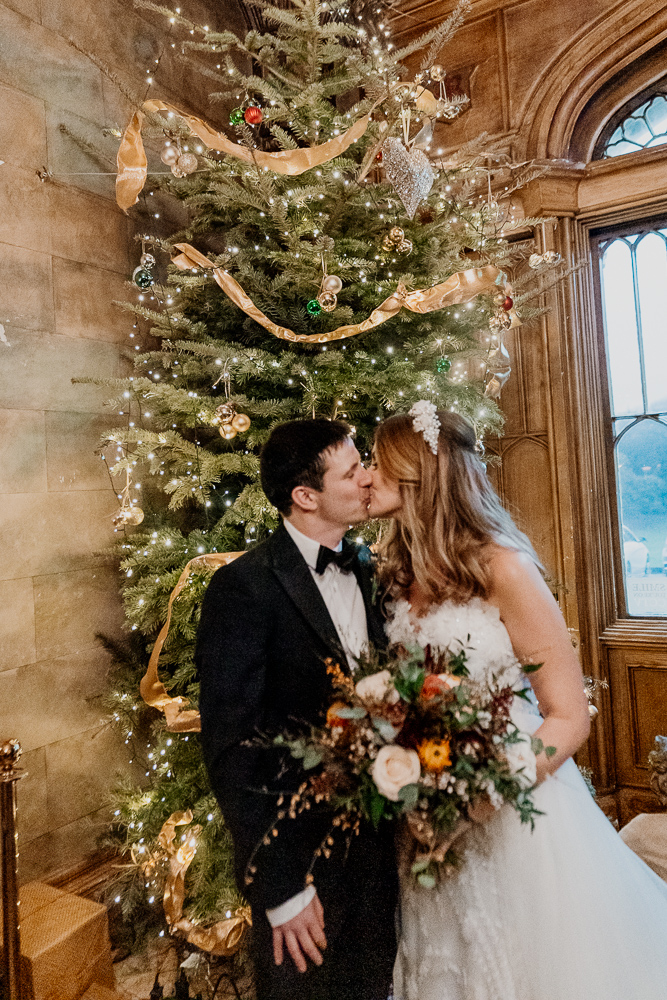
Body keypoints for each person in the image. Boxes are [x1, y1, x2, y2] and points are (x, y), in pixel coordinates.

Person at [368, 402, 667, 1000]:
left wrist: (488, 789)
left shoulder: (504, 567)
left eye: (378, 464)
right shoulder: (392, 573)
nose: (365, 477)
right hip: (425, 812)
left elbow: (569, 715)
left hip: (514, 811)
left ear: (418, 477)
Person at [196, 418, 398, 1000]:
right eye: (353, 469)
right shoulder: (243, 588)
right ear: (305, 496)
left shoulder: (369, 570)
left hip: (379, 854)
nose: (367, 479)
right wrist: (281, 889)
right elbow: (232, 750)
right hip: (301, 866)